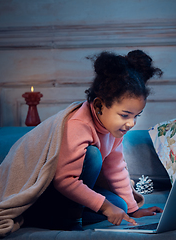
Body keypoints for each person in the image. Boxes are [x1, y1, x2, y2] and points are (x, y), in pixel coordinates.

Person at [23, 50, 163, 231]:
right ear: (99, 105)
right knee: (93, 155)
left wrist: (133, 209)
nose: (131, 123)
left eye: (136, 116)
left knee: (120, 206)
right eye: (125, 115)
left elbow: (116, 169)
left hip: (69, 194)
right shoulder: (78, 125)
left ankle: (59, 215)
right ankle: (57, 217)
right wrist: (104, 207)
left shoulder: (114, 128)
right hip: (46, 192)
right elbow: (64, 180)